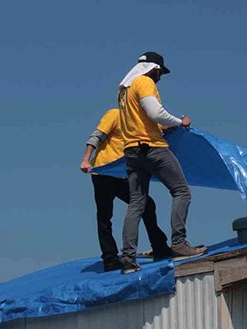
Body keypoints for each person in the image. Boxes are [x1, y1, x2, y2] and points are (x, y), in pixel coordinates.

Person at [117, 51, 206, 274]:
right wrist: (179, 121)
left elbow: (141, 120)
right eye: (160, 73)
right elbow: (154, 111)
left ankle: (127, 258)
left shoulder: (124, 90)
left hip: (131, 151)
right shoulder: (144, 82)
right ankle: (179, 243)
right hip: (152, 149)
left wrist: (162, 127)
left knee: (136, 203)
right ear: (154, 69)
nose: (160, 78)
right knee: (181, 191)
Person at [79, 108, 172, 272]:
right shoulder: (115, 115)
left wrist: (179, 122)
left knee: (147, 204)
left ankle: (159, 248)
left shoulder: (140, 121)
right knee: (105, 216)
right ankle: (110, 259)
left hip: (123, 174)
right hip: (103, 172)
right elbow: (96, 136)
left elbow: (161, 128)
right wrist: (86, 159)